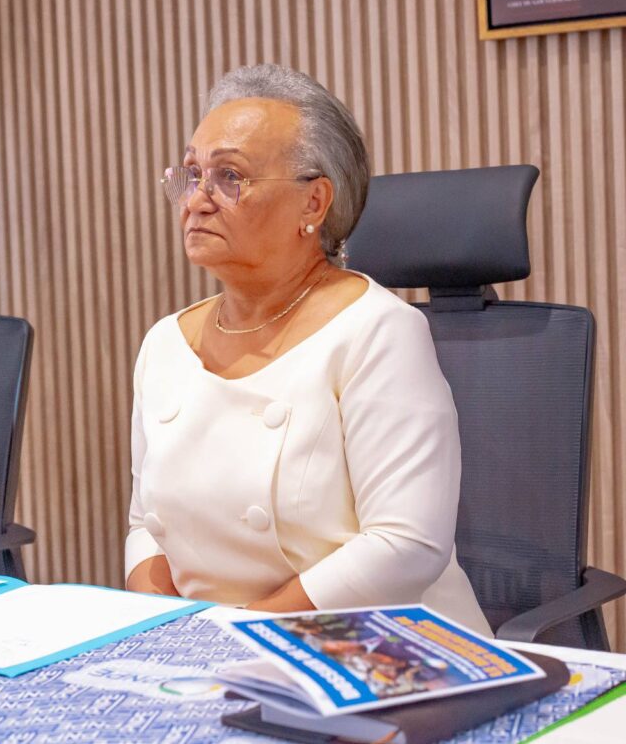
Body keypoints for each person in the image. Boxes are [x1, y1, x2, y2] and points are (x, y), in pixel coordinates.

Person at [124, 64, 491, 634]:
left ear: (313, 204)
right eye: (192, 174)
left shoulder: (376, 331)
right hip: (209, 645)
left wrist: (240, 634)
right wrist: (167, 630)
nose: (196, 200)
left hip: (375, 646)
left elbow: (404, 545)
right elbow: (145, 525)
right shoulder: (165, 342)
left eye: (229, 176)